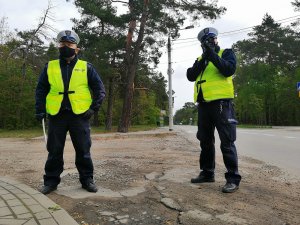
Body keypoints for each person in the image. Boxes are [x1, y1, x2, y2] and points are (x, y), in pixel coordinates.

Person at [35, 30, 106, 194]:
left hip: (80, 115)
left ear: (77, 48)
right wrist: (40, 110)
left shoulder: (86, 67)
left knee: (83, 150)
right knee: (54, 151)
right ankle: (51, 182)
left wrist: (93, 108)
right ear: (59, 46)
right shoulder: (50, 66)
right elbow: (41, 90)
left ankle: (87, 180)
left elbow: (99, 89)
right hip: (56, 115)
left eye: (70, 44)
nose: (66, 47)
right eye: (63, 44)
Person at [186, 27, 241, 193]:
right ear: (202, 44)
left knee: (227, 142)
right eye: (207, 40)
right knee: (205, 141)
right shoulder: (200, 58)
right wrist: (204, 57)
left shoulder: (226, 53)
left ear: (217, 39)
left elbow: (228, 70)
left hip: (221, 104)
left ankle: (232, 179)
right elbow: (190, 76)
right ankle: (207, 173)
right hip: (204, 105)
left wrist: (212, 55)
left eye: (213, 39)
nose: (211, 42)